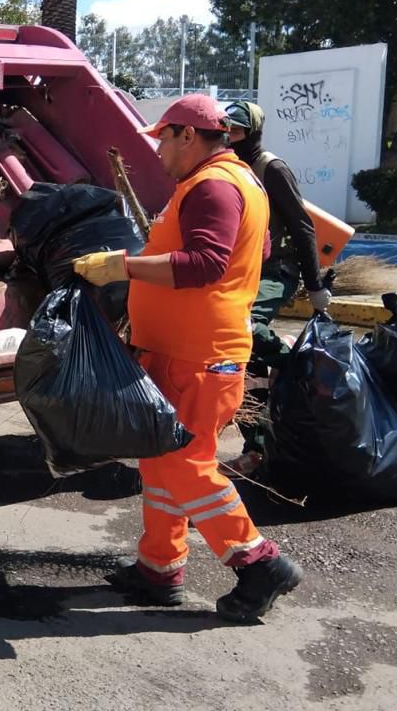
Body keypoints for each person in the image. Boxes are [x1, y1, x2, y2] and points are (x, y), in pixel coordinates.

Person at [72, 94, 303, 622]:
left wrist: (124, 266)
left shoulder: (213, 185)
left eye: (164, 139)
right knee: (160, 459)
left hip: (198, 354)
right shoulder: (239, 181)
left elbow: (206, 264)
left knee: (184, 465)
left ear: (189, 135)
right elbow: (258, 251)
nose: (158, 151)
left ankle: (260, 563)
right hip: (185, 348)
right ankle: (159, 568)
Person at [222, 101, 330, 475]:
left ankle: (292, 360)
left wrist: (315, 286)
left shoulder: (272, 169)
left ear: (253, 132)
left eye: (237, 130)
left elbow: (303, 227)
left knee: (243, 325)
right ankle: (256, 449)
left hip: (277, 270)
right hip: (243, 269)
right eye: (226, 130)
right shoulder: (227, 168)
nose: (230, 137)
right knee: (239, 359)